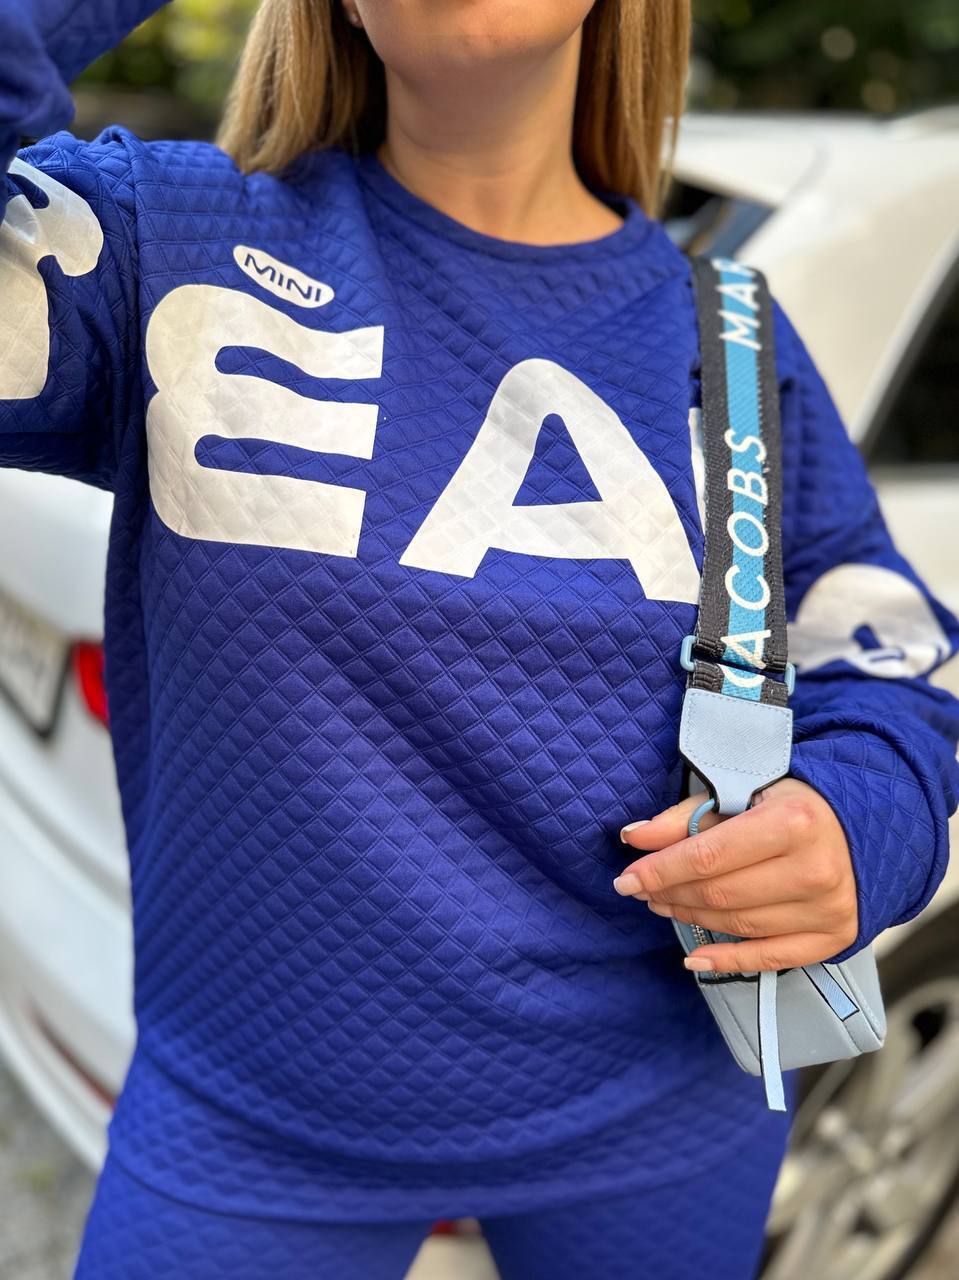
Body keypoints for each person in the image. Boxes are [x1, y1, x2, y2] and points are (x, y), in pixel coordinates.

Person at [2, 2, 958, 1277]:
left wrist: (854, 821)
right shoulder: (158, 240)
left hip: (663, 1112)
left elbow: (884, 653)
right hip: (246, 1128)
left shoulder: (730, 337)